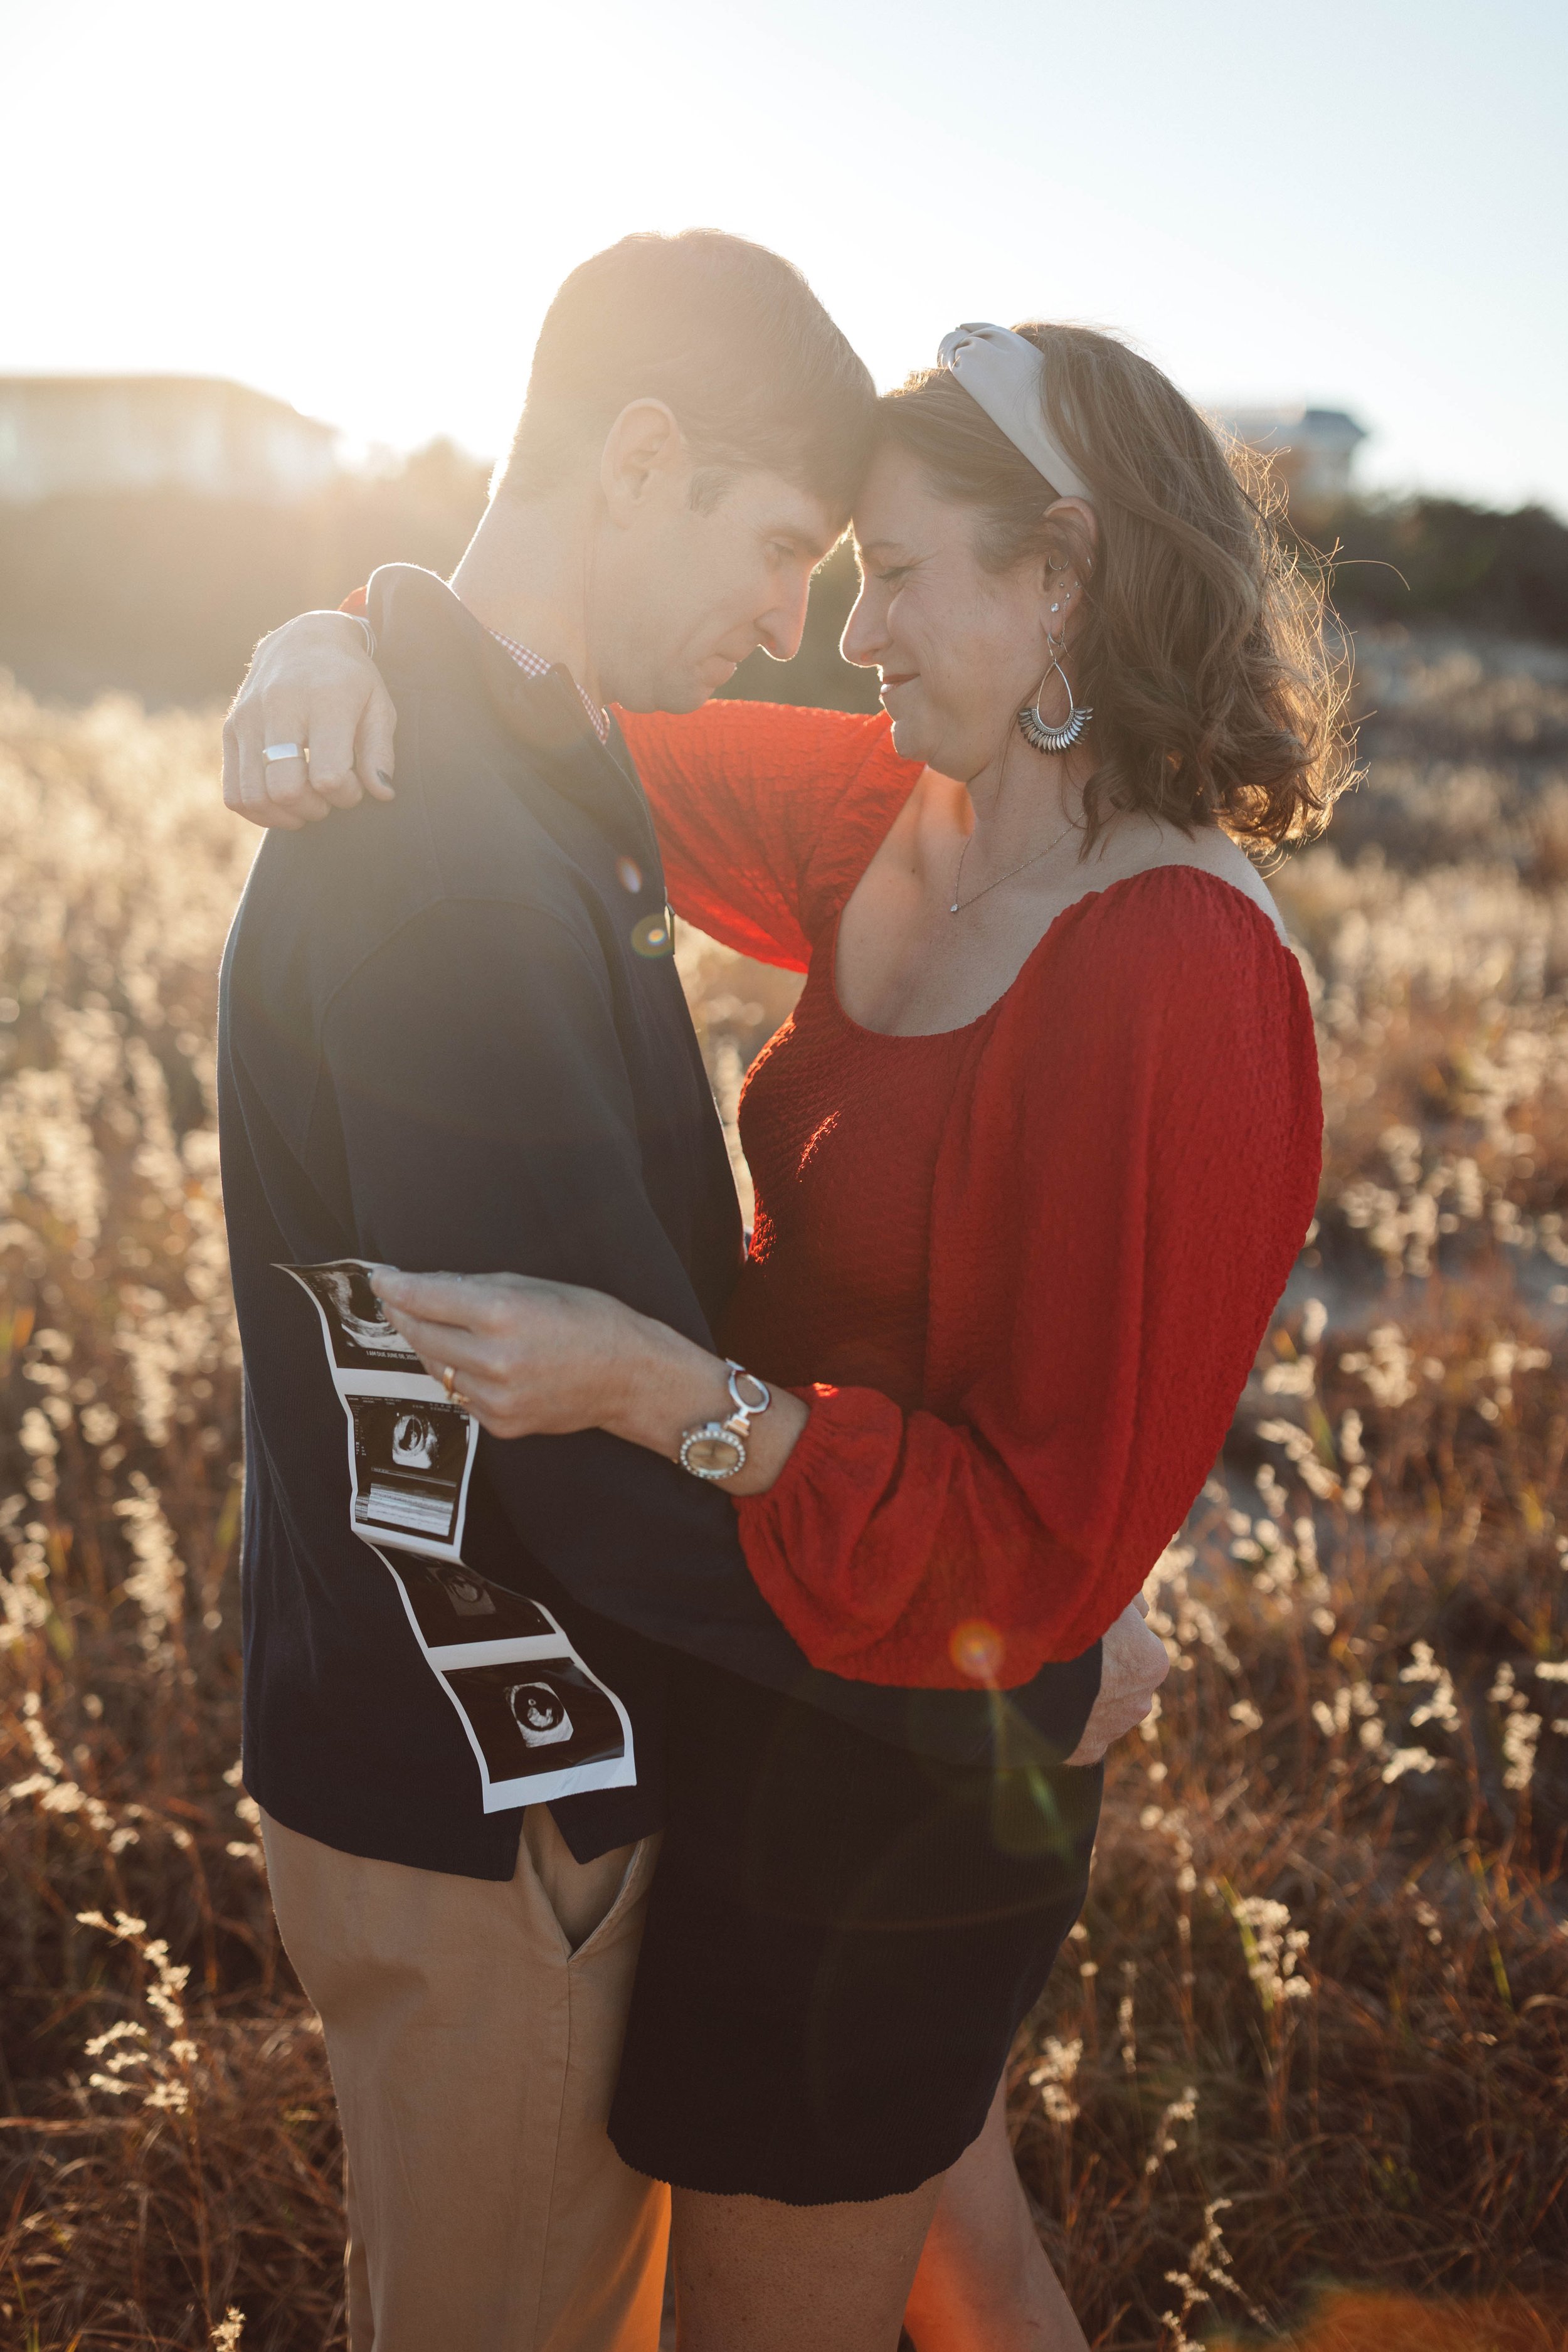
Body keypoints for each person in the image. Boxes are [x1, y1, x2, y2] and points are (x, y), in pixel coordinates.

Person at [220, 233, 1170, 2352]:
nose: (795, 621)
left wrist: (338, 619)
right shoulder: (458, 868)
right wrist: (1003, 1672)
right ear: (636, 458)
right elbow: (592, 1488)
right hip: (482, 1791)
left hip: (540, 1754)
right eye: (777, 548)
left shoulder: (537, 780)